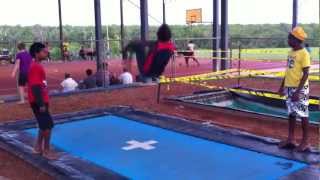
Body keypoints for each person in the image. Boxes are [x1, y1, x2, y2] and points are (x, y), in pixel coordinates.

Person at [278, 27, 311, 152]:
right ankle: (291, 139)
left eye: (290, 38)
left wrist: (298, 91)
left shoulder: (304, 53)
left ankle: (306, 142)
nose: (288, 40)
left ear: (297, 40)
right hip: (289, 87)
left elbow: (306, 74)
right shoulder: (290, 52)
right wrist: (282, 87)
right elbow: (288, 71)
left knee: (303, 113)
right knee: (291, 113)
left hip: (300, 89)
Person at [28, 42, 55, 159]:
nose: (46, 52)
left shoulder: (36, 65)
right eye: (44, 51)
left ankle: (38, 147)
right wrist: (41, 104)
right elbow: (35, 87)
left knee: (43, 125)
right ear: (36, 53)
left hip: (41, 100)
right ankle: (46, 151)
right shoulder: (36, 67)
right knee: (48, 125)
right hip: (39, 101)